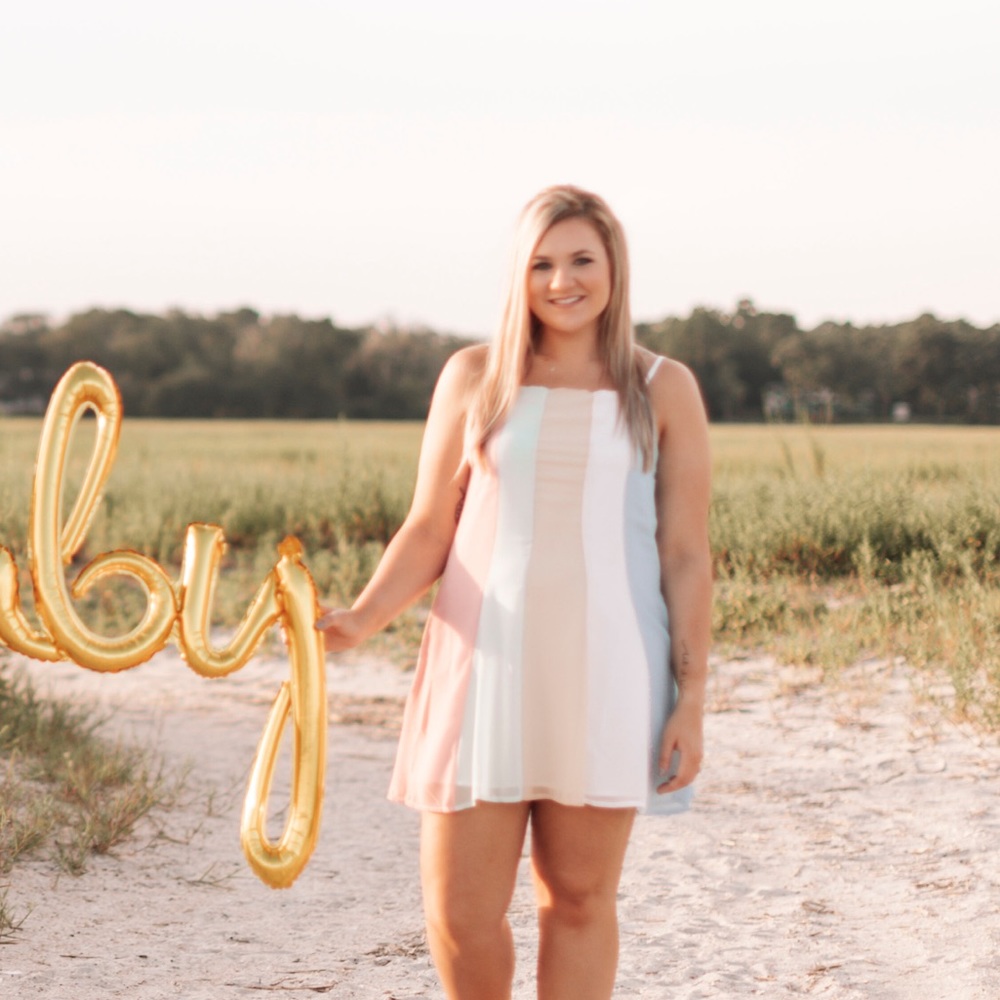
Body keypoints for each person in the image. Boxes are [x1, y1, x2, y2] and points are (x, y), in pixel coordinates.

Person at [317, 184, 712, 1000]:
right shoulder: (474, 378)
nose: (561, 281)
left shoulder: (663, 386)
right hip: (481, 667)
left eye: (580, 261)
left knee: (577, 900)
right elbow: (430, 526)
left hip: (606, 669)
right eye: (541, 263)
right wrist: (359, 620)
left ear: (613, 268)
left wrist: (693, 696)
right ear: (517, 274)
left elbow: (684, 554)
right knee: (460, 912)